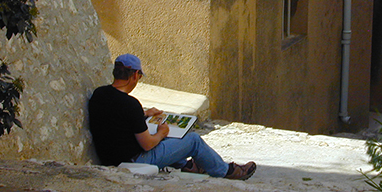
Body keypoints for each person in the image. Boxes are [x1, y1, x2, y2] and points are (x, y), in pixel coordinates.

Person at [88, 54, 257, 180]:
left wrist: (144, 115)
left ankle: (188, 165)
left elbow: (117, 118)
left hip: (109, 157)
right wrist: (162, 132)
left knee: (167, 139)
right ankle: (225, 171)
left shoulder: (99, 94)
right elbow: (147, 144)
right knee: (192, 140)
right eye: (139, 77)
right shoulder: (131, 104)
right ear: (134, 75)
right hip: (134, 160)